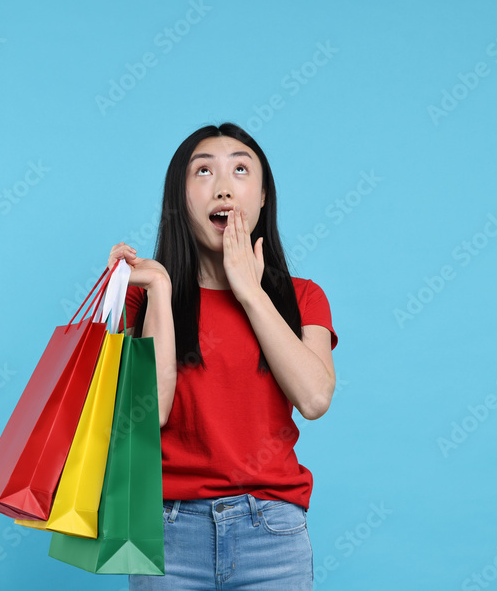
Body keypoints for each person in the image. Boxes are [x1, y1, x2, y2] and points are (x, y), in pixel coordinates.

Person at [106, 122, 338, 590]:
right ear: (181, 197)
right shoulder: (145, 299)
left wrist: (250, 291)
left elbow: (314, 399)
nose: (224, 187)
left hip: (272, 532)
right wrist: (160, 290)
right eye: (204, 172)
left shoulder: (303, 297)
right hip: (167, 532)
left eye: (240, 170)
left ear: (264, 195)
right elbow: (146, 416)